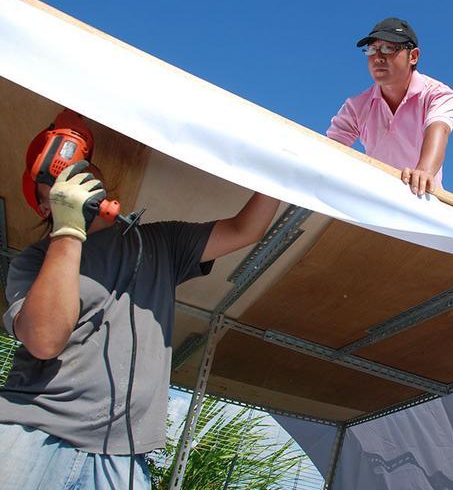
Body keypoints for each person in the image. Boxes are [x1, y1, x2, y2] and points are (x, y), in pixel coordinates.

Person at [0, 117, 280, 489]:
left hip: (123, 453)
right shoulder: (34, 261)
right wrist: (69, 230)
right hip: (32, 435)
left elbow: (246, 229)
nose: (78, 177)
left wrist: (283, 169)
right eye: (61, 179)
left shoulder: (160, 242)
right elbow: (45, 340)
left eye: (85, 170)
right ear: (43, 206)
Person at [327, 17, 453, 196]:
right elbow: (330, 150)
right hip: (375, 198)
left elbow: (439, 129)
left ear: (413, 56)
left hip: (421, 199)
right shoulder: (356, 106)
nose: (377, 57)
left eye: (388, 48)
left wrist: (424, 171)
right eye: (372, 49)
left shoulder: (437, 94)